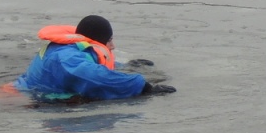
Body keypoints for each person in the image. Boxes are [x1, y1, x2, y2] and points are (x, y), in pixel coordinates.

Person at [14, 15, 176, 102]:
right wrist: (144, 87)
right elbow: (96, 76)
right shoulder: (67, 59)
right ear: (99, 41)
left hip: (24, 90)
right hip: (24, 99)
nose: (112, 46)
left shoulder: (72, 48)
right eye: (109, 40)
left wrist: (124, 66)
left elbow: (92, 62)